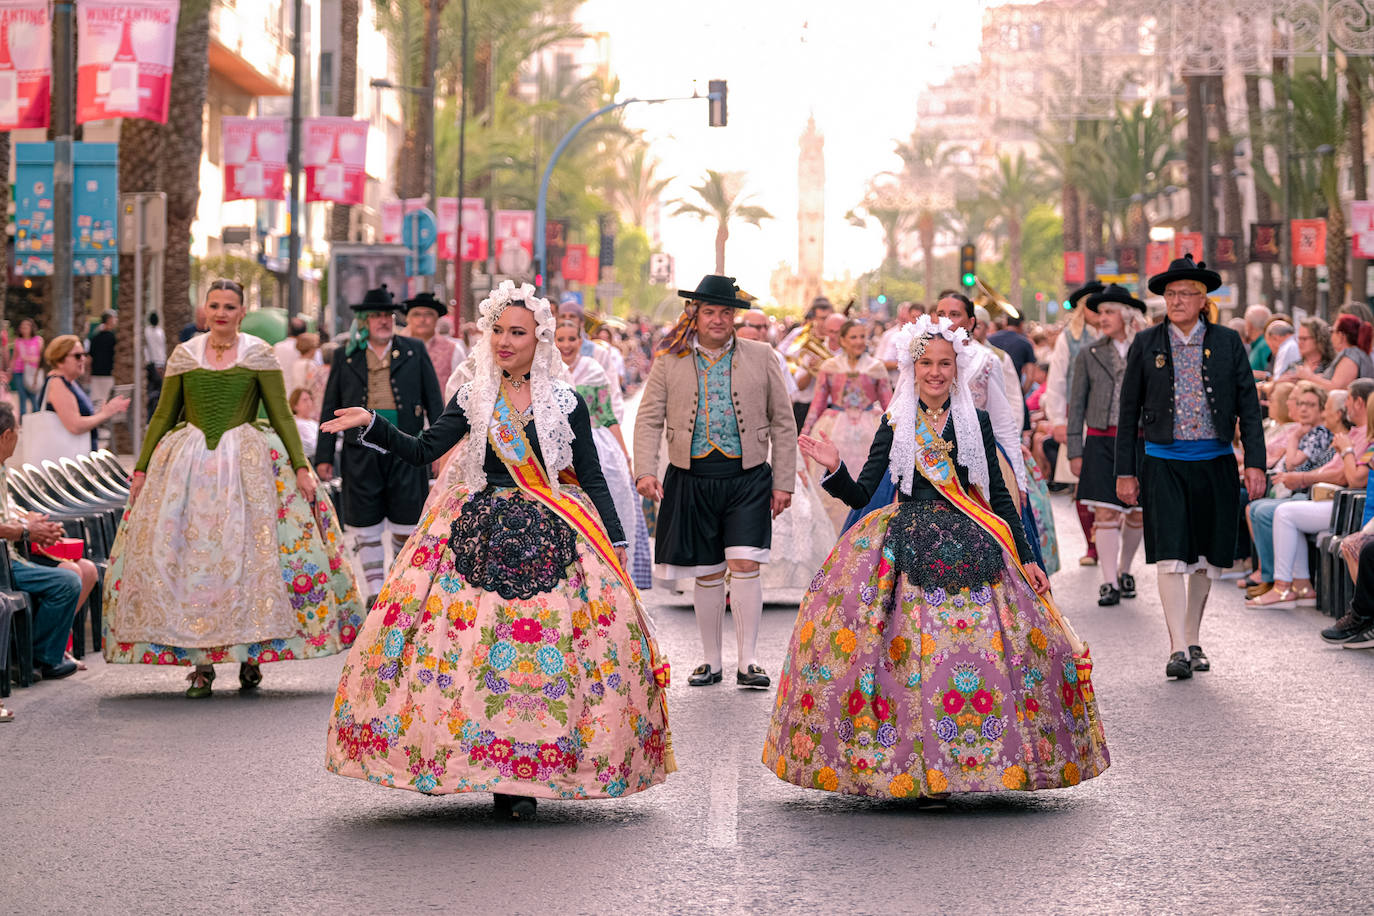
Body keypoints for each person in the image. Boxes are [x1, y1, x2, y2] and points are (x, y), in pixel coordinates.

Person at [320, 280, 674, 819]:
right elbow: (422, 452)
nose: (504, 341)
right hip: (475, 529)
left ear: (541, 338)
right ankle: (479, 762)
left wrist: (614, 540)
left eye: (517, 332)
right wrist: (373, 423)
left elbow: (593, 479)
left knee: (545, 655)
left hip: (552, 530)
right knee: (466, 649)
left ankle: (528, 773)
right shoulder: (473, 396)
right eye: (497, 331)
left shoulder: (565, 402)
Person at [764, 316, 1107, 799]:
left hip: (972, 534)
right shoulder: (896, 421)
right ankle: (908, 760)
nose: (936, 372)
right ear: (911, 366)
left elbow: (1000, 500)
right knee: (902, 656)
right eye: (926, 363)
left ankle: (970, 760)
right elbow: (864, 493)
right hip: (905, 537)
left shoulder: (976, 422)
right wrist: (836, 466)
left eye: (945, 363)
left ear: (957, 368)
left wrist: (1027, 556)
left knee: (980, 653)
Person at [103, 278, 365, 697]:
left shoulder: (258, 353)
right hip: (188, 468)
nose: (221, 312)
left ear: (242, 312)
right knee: (193, 565)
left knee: (248, 559)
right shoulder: (185, 354)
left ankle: (250, 655)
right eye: (214, 305)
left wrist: (301, 467)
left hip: (246, 467)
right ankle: (201, 665)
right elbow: (162, 416)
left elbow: (280, 415)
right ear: (204, 310)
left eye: (229, 306)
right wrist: (141, 469)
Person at [634, 274, 796, 689]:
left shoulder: (762, 355)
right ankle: (711, 661)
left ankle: (749, 662)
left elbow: (783, 421)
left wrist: (783, 481)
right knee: (706, 572)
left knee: (745, 565)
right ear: (696, 314)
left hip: (748, 478)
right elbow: (650, 417)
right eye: (711, 311)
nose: (719, 319)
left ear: (734, 318)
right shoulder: (668, 359)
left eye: (726, 312)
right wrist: (646, 470)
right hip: (692, 475)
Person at [1116, 255, 1266, 680]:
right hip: (1162, 463)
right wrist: (1125, 472)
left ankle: (1192, 637)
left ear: (1204, 300)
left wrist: (1255, 463)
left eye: (1186, 294)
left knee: (1204, 558)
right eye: (1170, 293)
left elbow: (1249, 408)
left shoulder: (1227, 341)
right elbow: (1128, 412)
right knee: (1169, 556)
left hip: (1215, 461)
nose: (1176, 300)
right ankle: (1177, 648)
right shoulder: (1146, 343)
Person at [314, 286, 445, 604]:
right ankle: (374, 591)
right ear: (364, 320)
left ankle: (396, 585)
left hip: (408, 448)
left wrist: (441, 449)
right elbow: (331, 404)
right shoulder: (347, 355)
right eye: (375, 316)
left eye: (387, 315)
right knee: (364, 519)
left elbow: (435, 403)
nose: (383, 321)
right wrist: (324, 455)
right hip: (360, 450)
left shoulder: (414, 349)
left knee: (407, 518)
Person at [736, 309, 835, 591]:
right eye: (751, 326)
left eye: (761, 327)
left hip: (767, 435)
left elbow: (786, 404)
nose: (756, 331)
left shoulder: (774, 356)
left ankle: (768, 576)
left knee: (795, 508)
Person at [554, 317, 652, 590]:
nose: (565, 345)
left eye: (571, 339)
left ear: (581, 341)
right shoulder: (544, 371)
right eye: (559, 339)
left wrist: (625, 455)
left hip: (597, 446)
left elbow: (607, 415)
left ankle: (613, 581)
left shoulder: (593, 369)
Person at [1067, 285, 1148, 607]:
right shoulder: (1090, 353)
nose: (1102, 319)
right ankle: (1109, 582)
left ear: (1127, 315)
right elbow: (1077, 403)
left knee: (1138, 513)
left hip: (1141, 440)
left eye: (1109, 312)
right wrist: (1075, 450)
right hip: (1100, 439)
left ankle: (1126, 569)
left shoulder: (1147, 349)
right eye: (1099, 313)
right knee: (1105, 511)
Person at [0, 401, 85, 693]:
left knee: (75, 572)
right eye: (18, 432)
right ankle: (39, 657)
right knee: (67, 581)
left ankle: (37, 655)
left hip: (11, 557)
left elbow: (7, 512)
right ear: (6, 435)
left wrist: (33, 524)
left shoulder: (2, 468)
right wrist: (26, 530)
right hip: (6, 564)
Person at [1243, 380, 1338, 606]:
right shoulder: (1306, 431)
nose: (1303, 408)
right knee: (1258, 508)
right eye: (1301, 403)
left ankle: (1280, 583)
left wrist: (1294, 438)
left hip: (1310, 493)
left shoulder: (1319, 433)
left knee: (1271, 511)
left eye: (1311, 405)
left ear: (1322, 409)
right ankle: (1294, 582)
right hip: (1299, 492)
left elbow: (1293, 465)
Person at [800, 318, 893, 529]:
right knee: (832, 494)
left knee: (867, 482)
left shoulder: (876, 367)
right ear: (842, 340)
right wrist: (805, 436)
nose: (859, 341)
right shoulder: (830, 367)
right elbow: (818, 403)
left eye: (862, 336)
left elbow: (889, 404)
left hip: (869, 430)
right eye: (853, 337)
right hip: (835, 430)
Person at [1044, 283, 1103, 565]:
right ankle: (1092, 545)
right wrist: (1058, 420)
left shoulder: (1117, 335)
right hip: (1077, 419)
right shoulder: (1070, 338)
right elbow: (1056, 381)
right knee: (1082, 483)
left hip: (1111, 420)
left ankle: (1107, 541)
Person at [41, 335, 129, 453]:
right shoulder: (57, 384)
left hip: (74, 455)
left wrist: (102, 411)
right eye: (77, 356)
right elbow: (75, 425)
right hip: (65, 459)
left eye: (84, 354)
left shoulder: (70, 382)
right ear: (60, 360)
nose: (83, 359)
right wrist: (105, 414)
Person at [1294, 314, 1374, 391]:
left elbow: (1336, 388)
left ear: (1341, 335)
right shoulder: (1353, 354)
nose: (1330, 335)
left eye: (1332, 331)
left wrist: (1309, 377)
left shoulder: (1351, 355)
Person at [402, 291, 458, 388]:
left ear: (437, 319)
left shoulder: (453, 350)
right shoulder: (396, 347)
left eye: (429, 314)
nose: (422, 319)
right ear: (408, 319)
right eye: (416, 314)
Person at [988, 313, 1036, 379]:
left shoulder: (990, 340)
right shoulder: (1026, 343)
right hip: (1014, 386)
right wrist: (1022, 389)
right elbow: (1030, 376)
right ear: (1021, 324)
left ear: (1005, 323)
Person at [11, 318, 43, 416]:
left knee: (33, 396)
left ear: (31, 328)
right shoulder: (17, 341)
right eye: (22, 327)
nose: (24, 329)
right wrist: (10, 371)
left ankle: (36, 418)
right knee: (22, 395)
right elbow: (15, 357)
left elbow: (42, 358)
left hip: (33, 372)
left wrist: (30, 359)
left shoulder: (38, 340)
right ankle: (23, 419)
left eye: (26, 326)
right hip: (19, 371)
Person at [86, 311, 117, 411]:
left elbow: (90, 358)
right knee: (107, 401)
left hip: (96, 374)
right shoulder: (113, 338)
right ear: (109, 320)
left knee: (96, 402)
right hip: (108, 374)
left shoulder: (95, 337)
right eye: (114, 318)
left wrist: (89, 374)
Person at [273, 315, 307, 387]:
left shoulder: (277, 347)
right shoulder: (305, 349)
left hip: (281, 390)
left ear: (288, 330)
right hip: (298, 394)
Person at [144, 312, 166, 414]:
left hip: (152, 363)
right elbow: (161, 349)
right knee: (156, 390)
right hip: (156, 364)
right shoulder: (159, 332)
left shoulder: (147, 331)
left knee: (153, 390)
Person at [290, 387, 319, 456]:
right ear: (295, 406)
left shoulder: (313, 422)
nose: (309, 403)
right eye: (305, 400)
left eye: (310, 399)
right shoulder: (298, 423)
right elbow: (314, 446)